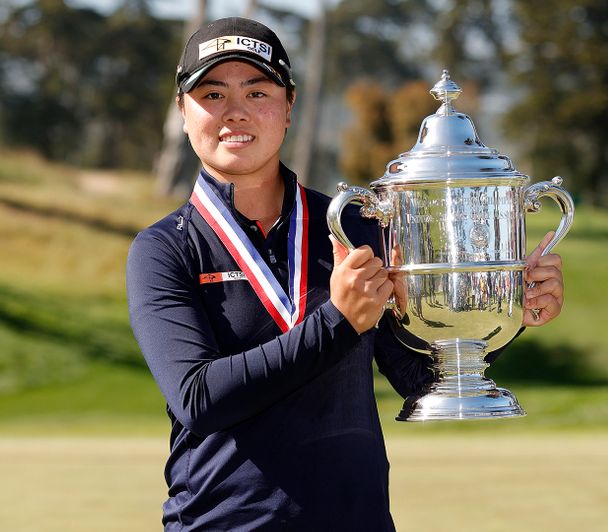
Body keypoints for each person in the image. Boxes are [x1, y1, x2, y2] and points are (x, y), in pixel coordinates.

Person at [126, 17, 565, 531]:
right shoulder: (164, 249)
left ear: (289, 106)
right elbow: (199, 399)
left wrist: (507, 312)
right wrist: (338, 320)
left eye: (257, 92)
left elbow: (419, 378)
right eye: (213, 94)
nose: (235, 111)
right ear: (183, 111)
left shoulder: (353, 226)